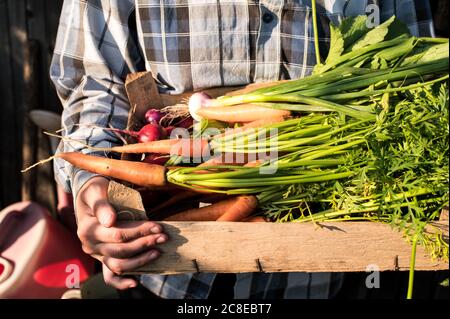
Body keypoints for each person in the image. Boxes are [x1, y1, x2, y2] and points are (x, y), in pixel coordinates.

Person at [50, 0, 435, 299]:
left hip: (335, 269)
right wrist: (91, 182)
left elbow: (412, 77)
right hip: (170, 275)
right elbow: (95, 86)